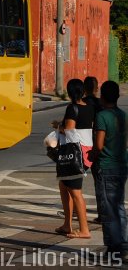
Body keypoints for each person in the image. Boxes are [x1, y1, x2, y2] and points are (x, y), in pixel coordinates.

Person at [89, 81, 128, 259]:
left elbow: (98, 144)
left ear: (102, 97)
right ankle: (123, 242)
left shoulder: (102, 116)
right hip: (122, 165)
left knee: (108, 209)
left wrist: (93, 156)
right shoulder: (123, 115)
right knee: (119, 206)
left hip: (106, 166)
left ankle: (113, 249)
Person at [52, 78, 95, 238]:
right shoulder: (89, 107)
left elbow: (69, 130)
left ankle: (84, 229)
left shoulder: (72, 108)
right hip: (86, 150)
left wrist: (58, 127)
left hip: (76, 154)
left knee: (75, 191)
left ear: (69, 93)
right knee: (64, 186)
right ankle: (67, 224)